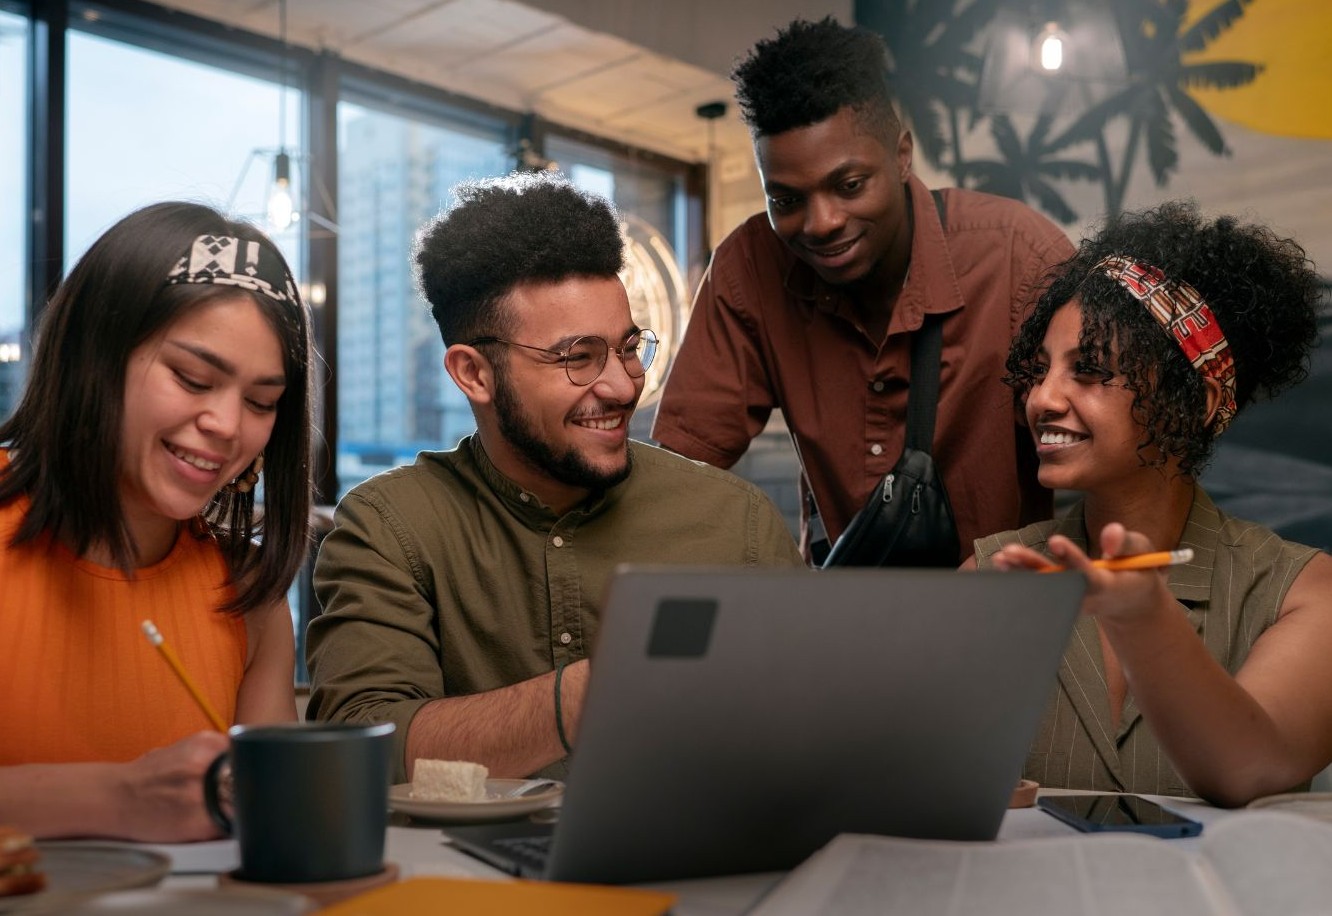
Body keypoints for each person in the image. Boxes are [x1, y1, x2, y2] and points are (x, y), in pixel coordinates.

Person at [306, 171, 802, 783]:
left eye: (627, 348)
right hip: (459, 878)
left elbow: (816, 733)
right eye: (577, 358)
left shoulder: (737, 524)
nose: (623, 385)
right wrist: (617, 679)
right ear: (474, 374)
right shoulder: (389, 528)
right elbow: (360, 748)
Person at [653, 17, 1074, 562]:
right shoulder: (750, 267)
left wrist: (1007, 555)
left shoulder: (1020, 256)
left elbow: (1125, 457)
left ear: (902, 155)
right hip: (842, 624)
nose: (821, 222)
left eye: (849, 186)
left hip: (1004, 618)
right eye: (786, 200)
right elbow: (681, 479)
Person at [967, 201, 1332, 807]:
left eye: (1087, 370)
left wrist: (1142, 618)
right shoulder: (989, 579)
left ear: (1201, 400)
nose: (1041, 399)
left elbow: (1247, 769)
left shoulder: (1303, 595)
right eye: (1038, 371)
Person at [0, 202, 313, 840]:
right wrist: (117, 798)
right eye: (193, 378)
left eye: (261, 402)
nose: (227, 426)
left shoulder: (248, 596)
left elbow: (276, 829)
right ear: (96, 355)